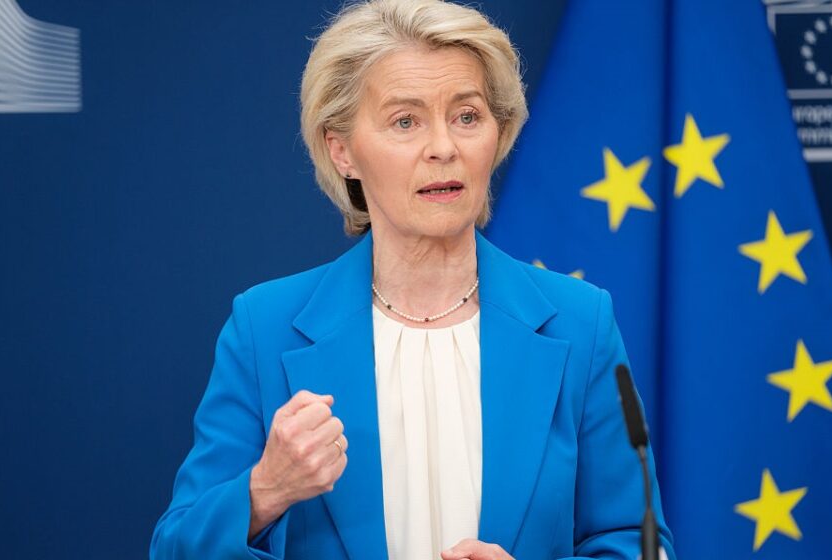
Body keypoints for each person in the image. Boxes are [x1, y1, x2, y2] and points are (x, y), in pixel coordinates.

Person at [150, 1, 675, 558]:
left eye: (467, 116)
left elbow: (637, 543)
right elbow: (175, 550)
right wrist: (267, 490)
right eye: (406, 121)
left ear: (498, 134)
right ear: (341, 150)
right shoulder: (265, 327)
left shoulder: (580, 322)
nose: (444, 148)